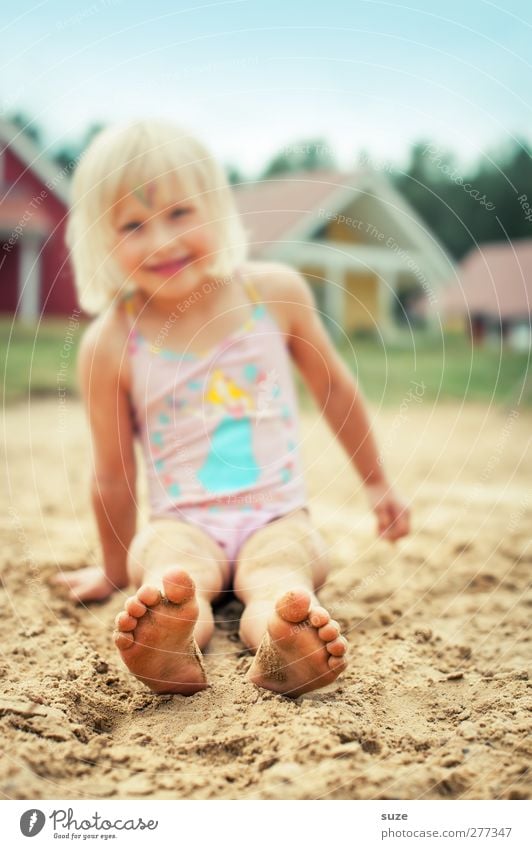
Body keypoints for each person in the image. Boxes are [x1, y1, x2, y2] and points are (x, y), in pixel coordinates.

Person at [55, 119, 410, 698]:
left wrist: (377, 485)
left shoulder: (274, 294)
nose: (162, 242)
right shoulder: (111, 342)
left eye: (179, 214)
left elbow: (335, 392)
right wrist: (115, 572)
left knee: (279, 576)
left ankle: (281, 639)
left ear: (216, 208)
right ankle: (169, 645)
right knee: (175, 577)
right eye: (133, 225)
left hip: (278, 517)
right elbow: (112, 474)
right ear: (101, 240)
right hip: (182, 521)